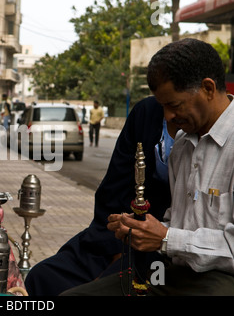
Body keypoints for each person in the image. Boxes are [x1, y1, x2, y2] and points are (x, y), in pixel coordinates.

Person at [62, 38, 234, 296]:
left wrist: (165, 237)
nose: (167, 117)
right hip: (170, 272)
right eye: (163, 106)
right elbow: (176, 221)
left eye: (174, 105)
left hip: (222, 280)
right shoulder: (183, 145)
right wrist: (141, 228)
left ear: (208, 89)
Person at [24, 96, 175, 295]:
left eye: (173, 103)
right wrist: (117, 242)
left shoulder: (201, 126)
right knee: (43, 275)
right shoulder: (147, 112)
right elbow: (115, 186)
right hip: (118, 234)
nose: (169, 114)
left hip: (165, 249)